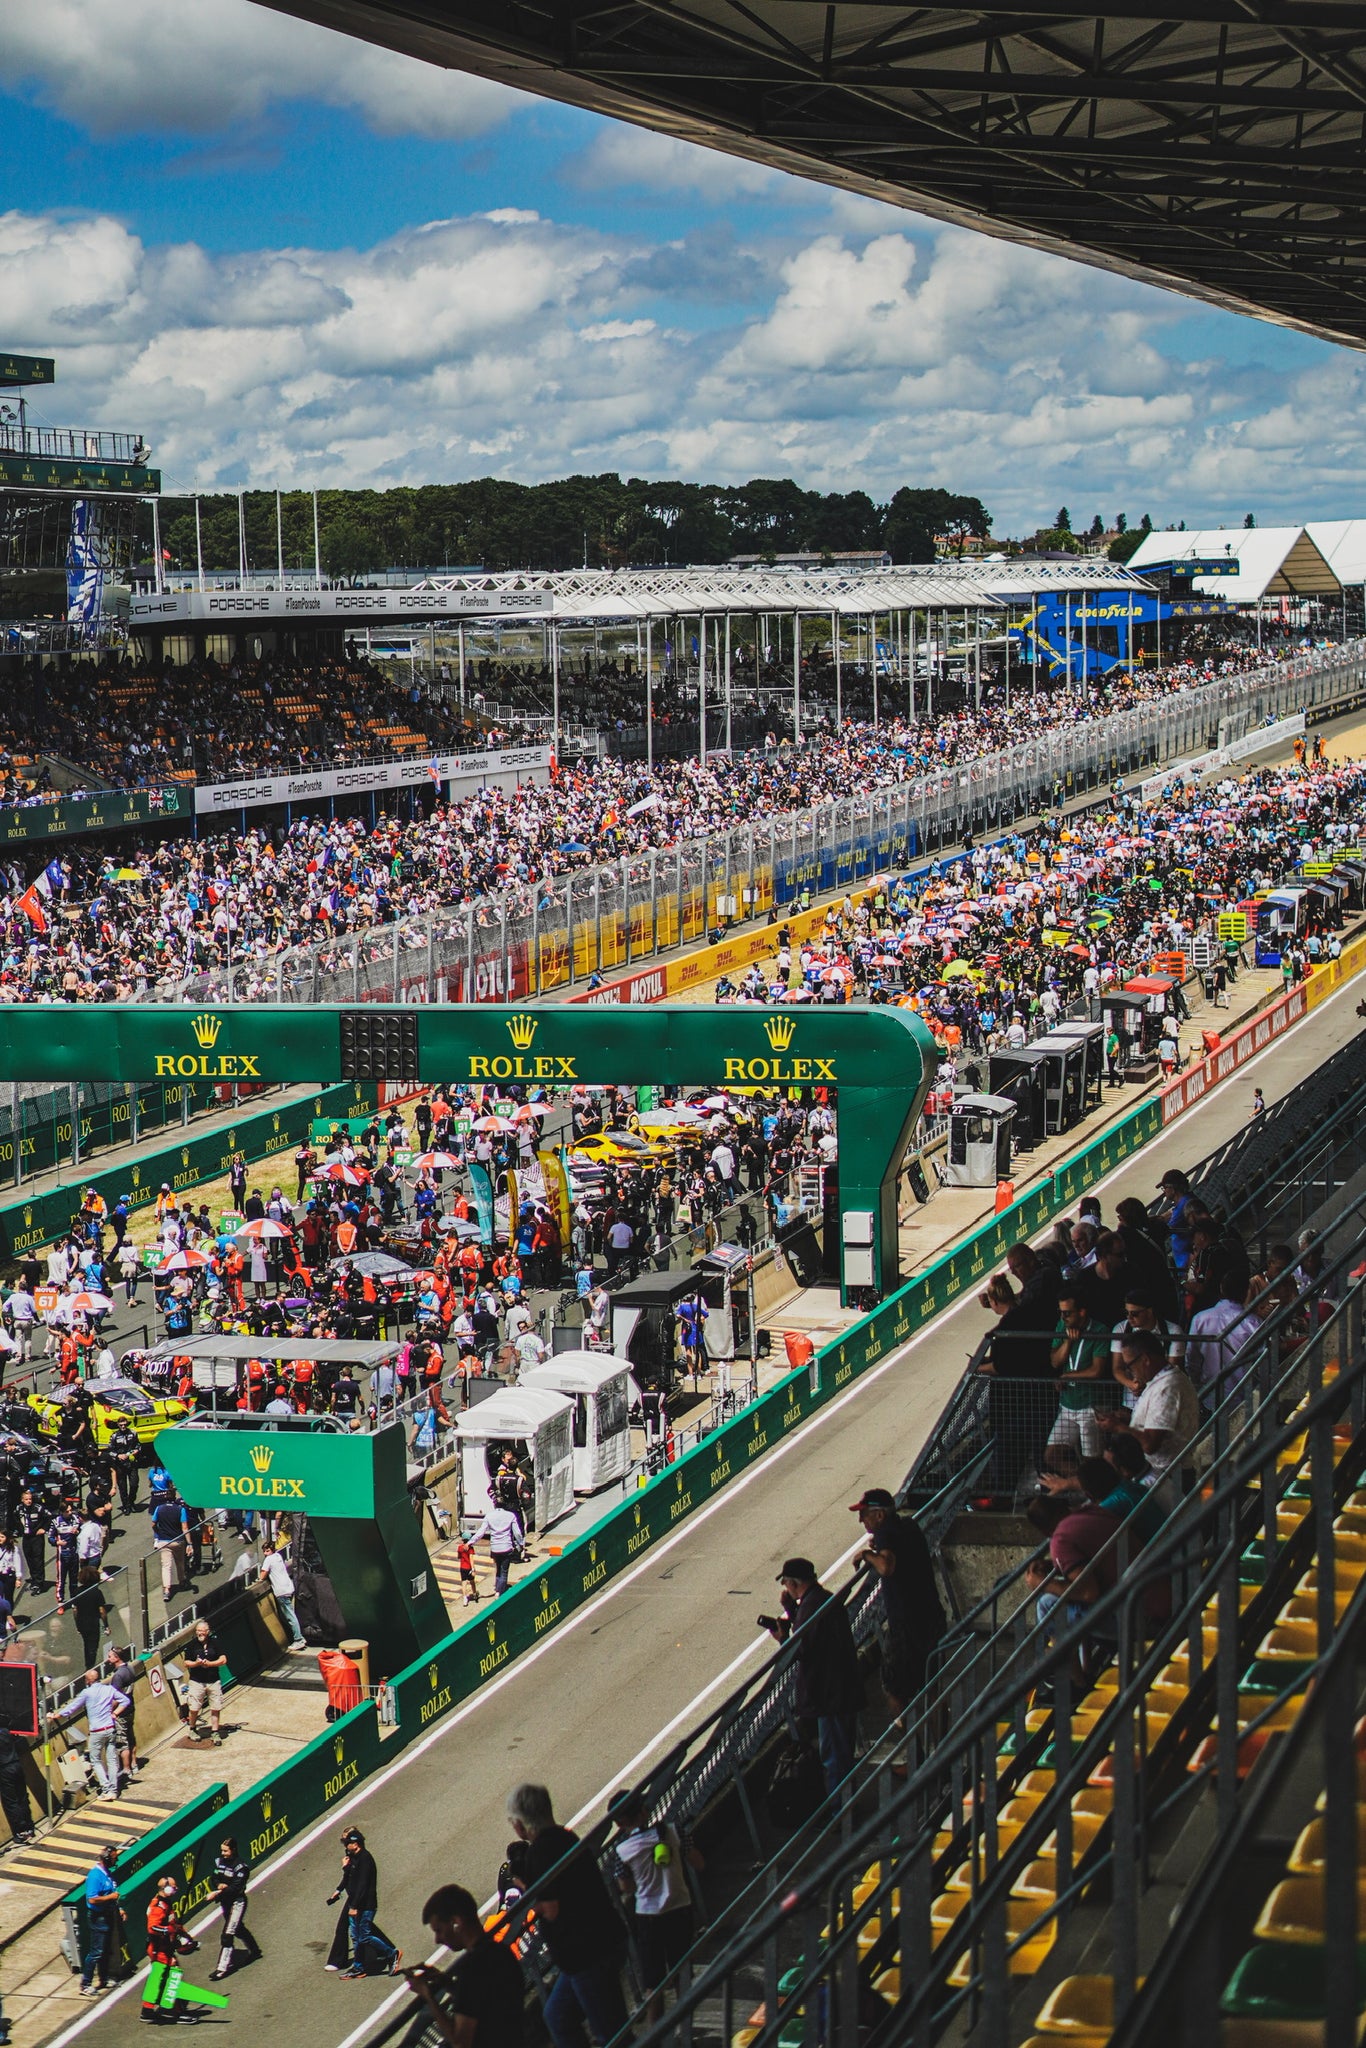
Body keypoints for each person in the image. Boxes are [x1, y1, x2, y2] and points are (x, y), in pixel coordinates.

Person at [506, 1783, 628, 2048]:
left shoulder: (540, 1853)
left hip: (585, 1954)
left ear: (520, 1824)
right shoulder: (566, 1837)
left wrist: (526, 1890)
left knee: (611, 2033)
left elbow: (551, 1909)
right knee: (558, 2016)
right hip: (598, 1943)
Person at [763, 1557, 863, 1797]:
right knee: (841, 1752)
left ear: (794, 1584)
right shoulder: (823, 1599)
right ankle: (845, 1806)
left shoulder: (811, 1608)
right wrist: (791, 1610)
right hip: (842, 1688)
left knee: (834, 1756)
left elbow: (802, 1650)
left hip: (830, 1695)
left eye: (786, 1583)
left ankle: (841, 1812)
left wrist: (783, 1640)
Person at [850, 1487, 946, 1719]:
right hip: (931, 1616)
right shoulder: (909, 1526)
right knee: (931, 1686)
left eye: (864, 1514)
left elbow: (886, 1567)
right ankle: (941, 1744)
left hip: (907, 1627)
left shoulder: (885, 1533)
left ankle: (916, 1747)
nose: (860, 1519)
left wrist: (866, 1555)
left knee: (895, 1690)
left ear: (880, 1515)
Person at [609, 1788, 699, 2023]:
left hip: (648, 1918)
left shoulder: (622, 1851)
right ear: (644, 1810)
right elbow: (698, 1862)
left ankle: (655, 2037)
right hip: (681, 1909)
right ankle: (687, 2032)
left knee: (653, 1985)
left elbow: (626, 1886)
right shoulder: (673, 1830)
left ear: (620, 1823)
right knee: (682, 1975)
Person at [401, 1883, 525, 2046]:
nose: (437, 1940)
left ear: (456, 1922)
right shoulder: (500, 1951)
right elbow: (482, 2000)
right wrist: (447, 1983)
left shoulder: (472, 1969)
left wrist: (427, 1996)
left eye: (438, 1930)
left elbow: (461, 2042)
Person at [328, 1827, 401, 1979]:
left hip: (366, 1905)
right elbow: (350, 1878)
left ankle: (392, 1954)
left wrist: (353, 1906)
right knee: (356, 1937)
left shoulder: (365, 1859)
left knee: (364, 1936)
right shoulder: (353, 1857)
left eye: (348, 1843)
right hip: (356, 1902)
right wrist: (340, 1887)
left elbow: (362, 1885)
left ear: (356, 1844)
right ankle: (359, 1967)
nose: (345, 1845)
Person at [62, 1669, 122, 1801]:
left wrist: (56, 1715)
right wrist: (115, 1713)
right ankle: (113, 1789)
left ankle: (106, 1788)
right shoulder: (109, 1689)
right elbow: (125, 1701)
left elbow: (71, 1708)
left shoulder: (87, 1693)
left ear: (88, 1680)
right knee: (112, 1760)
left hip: (97, 1732)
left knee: (95, 1760)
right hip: (110, 1728)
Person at [143, 1871, 195, 2024]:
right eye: (173, 1887)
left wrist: (186, 1937)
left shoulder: (167, 1903)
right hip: (158, 1948)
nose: (175, 1889)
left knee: (159, 1979)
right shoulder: (158, 1906)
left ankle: (146, 2011)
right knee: (173, 1976)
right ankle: (178, 2013)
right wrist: (168, 1930)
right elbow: (152, 1928)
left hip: (164, 1947)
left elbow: (174, 1923)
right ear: (165, 1888)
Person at [210, 1835, 262, 1978]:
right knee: (238, 1929)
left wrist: (216, 1893)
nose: (223, 1853)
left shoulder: (241, 1867)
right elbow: (213, 1877)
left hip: (237, 1903)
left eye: (226, 1851)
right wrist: (218, 1884)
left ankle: (222, 1968)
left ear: (233, 1850)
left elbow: (235, 1888)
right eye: (222, 1850)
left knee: (227, 1935)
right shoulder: (219, 1862)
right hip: (225, 1903)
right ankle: (255, 1951)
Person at [80, 1844, 123, 1997]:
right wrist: (110, 1898)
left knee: (105, 1949)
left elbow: (112, 1892)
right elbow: (92, 1899)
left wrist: (118, 1908)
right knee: (96, 1952)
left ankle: (104, 1978)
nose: (115, 1860)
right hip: (98, 1918)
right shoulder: (95, 1876)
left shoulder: (107, 1873)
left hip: (109, 1913)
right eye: (114, 1858)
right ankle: (85, 1984)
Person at [184, 1619, 227, 1745]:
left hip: (213, 1680)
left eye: (202, 1631)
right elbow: (186, 1662)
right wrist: (197, 1664)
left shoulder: (215, 1643)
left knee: (216, 1707)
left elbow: (223, 1659)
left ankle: (215, 1732)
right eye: (198, 1631)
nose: (200, 1634)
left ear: (207, 1632)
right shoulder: (192, 1645)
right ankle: (192, 1729)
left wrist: (210, 1664)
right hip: (197, 1681)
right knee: (194, 1707)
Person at [472, 1498, 525, 1597]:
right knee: (504, 1571)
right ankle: (500, 1592)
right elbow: (517, 1533)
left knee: (498, 1569)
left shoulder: (489, 1516)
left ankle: (497, 1587)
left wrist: (471, 1542)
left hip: (495, 1548)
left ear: (495, 1505)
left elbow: (481, 1532)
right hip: (506, 1547)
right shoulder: (511, 1516)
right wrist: (521, 1544)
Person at [259, 1540, 304, 1647]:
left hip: (281, 1592)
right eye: (264, 1551)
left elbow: (262, 1576)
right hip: (289, 1587)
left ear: (272, 1550)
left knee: (290, 1616)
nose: (265, 1553)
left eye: (267, 1551)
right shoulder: (278, 1556)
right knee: (290, 1615)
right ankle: (297, 1636)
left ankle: (299, 1639)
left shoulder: (268, 1560)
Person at [0, 1724, 34, 1843]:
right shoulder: (5, 1731)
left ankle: (20, 1831)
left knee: (11, 1802)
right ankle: (29, 1826)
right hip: (16, 1764)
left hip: (4, 1769)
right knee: (22, 1797)